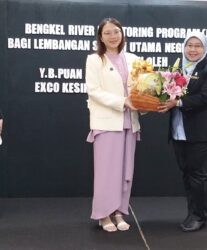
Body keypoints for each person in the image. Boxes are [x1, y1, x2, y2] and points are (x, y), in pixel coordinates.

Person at [159, 31, 207, 232]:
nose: (193, 49)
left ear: (205, 48)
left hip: (203, 132)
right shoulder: (176, 69)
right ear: (183, 47)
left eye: (198, 46)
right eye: (189, 45)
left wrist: (176, 102)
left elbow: (206, 97)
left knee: (197, 174)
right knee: (188, 174)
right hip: (179, 132)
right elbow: (166, 94)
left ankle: (199, 216)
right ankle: (192, 212)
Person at [85, 17, 140, 232]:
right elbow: (94, 91)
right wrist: (122, 102)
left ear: (122, 33)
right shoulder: (94, 60)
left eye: (116, 31)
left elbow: (140, 90)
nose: (113, 36)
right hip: (107, 122)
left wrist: (147, 102)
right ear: (100, 37)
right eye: (107, 32)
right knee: (107, 172)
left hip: (130, 123)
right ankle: (103, 214)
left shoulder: (134, 59)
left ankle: (119, 212)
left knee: (125, 171)